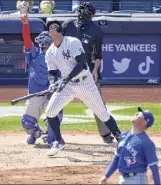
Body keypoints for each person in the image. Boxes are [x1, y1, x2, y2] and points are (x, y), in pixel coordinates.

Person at [44, 20, 121, 156]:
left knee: (102, 113)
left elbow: (82, 64)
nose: (53, 30)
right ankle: (58, 141)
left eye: (55, 28)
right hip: (67, 86)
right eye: (50, 28)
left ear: (60, 31)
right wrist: (52, 83)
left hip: (84, 83)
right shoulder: (50, 52)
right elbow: (52, 73)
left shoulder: (72, 42)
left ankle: (120, 138)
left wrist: (65, 80)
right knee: (50, 112)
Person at [62, 2, 114, 144]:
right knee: (54, 101)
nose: (82, 15)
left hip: (86, 72)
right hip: (66, 71)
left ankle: (106, 133)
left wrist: (95, 70)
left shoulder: (97, 31)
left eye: (86, 13)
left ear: (93, 15)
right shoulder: (68, 25)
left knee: (98, 104)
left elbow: (98, 55)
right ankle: (50, 132)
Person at [19, 14, 63, 146]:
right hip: (35, 94)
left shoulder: (58, 55)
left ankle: (51, 137)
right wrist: (25, 24)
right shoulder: (33, 53)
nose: (43, 42)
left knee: (55, 117)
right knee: (27, 123)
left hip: (51, 95)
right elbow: (26, 38)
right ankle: (36, 133)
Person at [99, 107, 161, 185]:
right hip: (122, 179)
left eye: (140, 114)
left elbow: (154, 167)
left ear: (145, 122)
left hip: (137, 180)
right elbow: (117, 158)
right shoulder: (123, 135)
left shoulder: (146, 142)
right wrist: (106, 176)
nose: (136, 114)